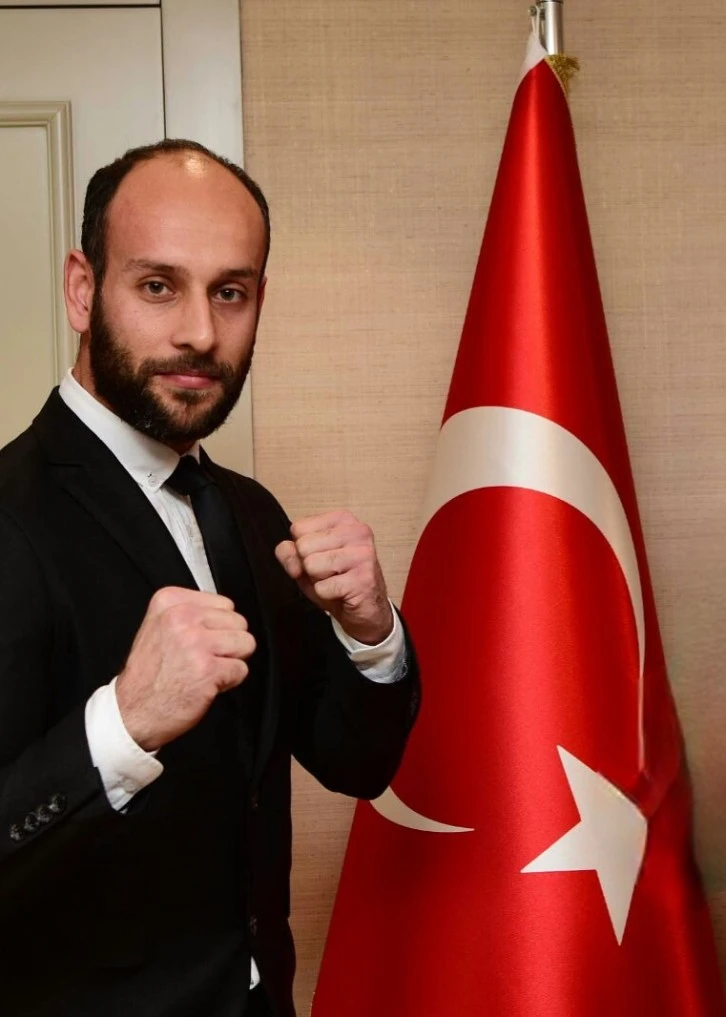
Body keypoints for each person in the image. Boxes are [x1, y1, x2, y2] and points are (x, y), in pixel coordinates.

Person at [0, 139, 419, 1017]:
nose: (199, 331)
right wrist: (122, 724)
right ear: (82, 289)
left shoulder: (248, 510)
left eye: (230, 292)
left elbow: (356, 762)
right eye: (159, 285)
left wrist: (372, 634)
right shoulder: (9, 512)